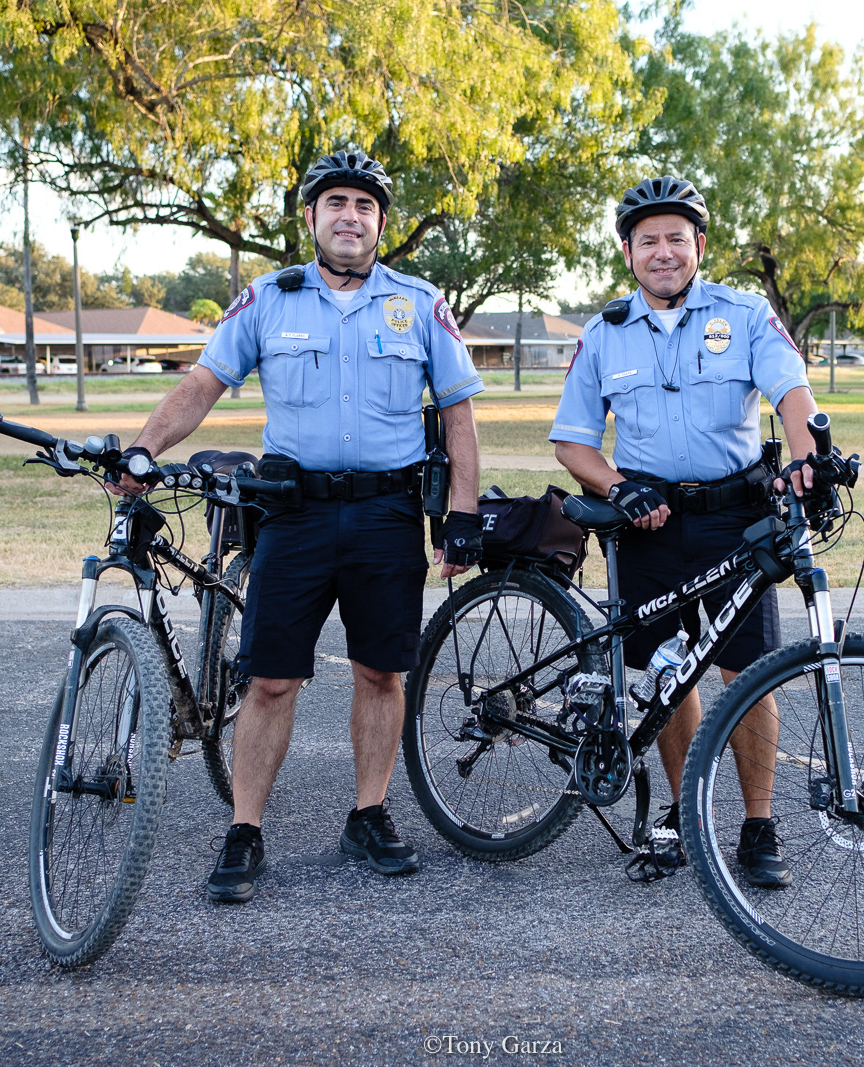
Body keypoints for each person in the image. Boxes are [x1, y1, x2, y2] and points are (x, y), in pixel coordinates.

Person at [117, 150, 486, 904]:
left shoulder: (419, 303)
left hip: (388, 513)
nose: (350, 216)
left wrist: (464, 518)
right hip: (294, 513)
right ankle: (245, 829)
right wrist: (144, 447)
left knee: (382, 672)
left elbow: (459, 417)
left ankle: (369, 812)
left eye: (365, 205)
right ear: (310, 217)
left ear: (382, 222)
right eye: (335, 203)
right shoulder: (267, 298)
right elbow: (201, 386)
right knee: (272, 678)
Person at [550, 176, 825, 890]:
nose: (664, 251)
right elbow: (572, 443)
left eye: (677, 238)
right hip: (648, 522)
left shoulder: (744, 312)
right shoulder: (603, 334)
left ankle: (758, 824)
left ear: (699, 245)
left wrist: (806, 460)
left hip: (737, 519)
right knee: (670, 673)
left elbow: (792, 390)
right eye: (649, 240)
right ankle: (679, 812)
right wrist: (618, 487)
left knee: (750, 672)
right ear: (628, 251)